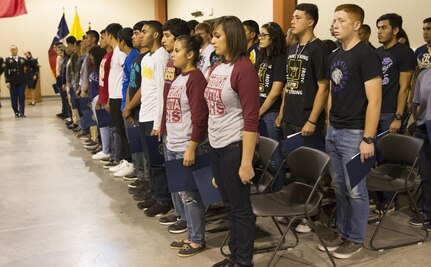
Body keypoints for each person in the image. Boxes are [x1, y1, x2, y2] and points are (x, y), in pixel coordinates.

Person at [320, 4, 382, 259]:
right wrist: (328, 123)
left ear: (356, 25)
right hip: (334, 131)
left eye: (341, 20)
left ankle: (355, 238)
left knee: (355, 188)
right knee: (338, 185)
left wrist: (368, 138)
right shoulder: (335, 55)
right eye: (334, 20)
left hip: (356, 134)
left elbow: (375, 101)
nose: (334, 24)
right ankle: (343, 232)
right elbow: (333, 93)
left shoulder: (367, 56)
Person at [208, 16, 259, 267]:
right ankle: (234, 256)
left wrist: (246, 162)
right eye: (213, 35)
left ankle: (243, 262)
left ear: (232, 36)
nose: (212, 40)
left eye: (217, 35)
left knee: (240, 209)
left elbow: (251, 120)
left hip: (234, 148)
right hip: (216, 146)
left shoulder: (244, 69)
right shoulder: (217, 67)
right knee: (228, 205)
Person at [276, 3, 330, 233]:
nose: (292, 21)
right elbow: (289, 85)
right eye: (292, 17)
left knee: (310, 171)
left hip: (306, 120)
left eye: (297, 17)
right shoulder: (292, 48)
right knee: (295, 169)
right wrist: (281, 112)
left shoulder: (319, 49)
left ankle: (311, 215)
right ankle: (297, 210)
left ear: (310, 21)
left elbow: (323, 86)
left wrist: (312, 120)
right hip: (289, 117)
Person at [165, 35, 209, 257]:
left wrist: (192, 146)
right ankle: (191, 233)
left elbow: (199, 117)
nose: (172, 54)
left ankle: (198, 239)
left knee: (191, 196)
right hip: (173, 143)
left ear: (190, 54)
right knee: (182, 194)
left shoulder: (196, 79)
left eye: (177, 51)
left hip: (186, 145)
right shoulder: (179, 78)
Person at [373, 13, 416, 214]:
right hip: (374, 111)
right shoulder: (377, 52)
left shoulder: (405, 53)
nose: (379, 31)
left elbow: (404, 88)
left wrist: (398, 117)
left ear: (395, 30)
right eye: (378, 28)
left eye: (384, 28)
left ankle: (389, 200)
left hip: (390, 112)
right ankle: (377, 197)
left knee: (388, 158)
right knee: (373, 158)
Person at [156, 18, 190, 233]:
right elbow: (166, 95)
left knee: (182, 180)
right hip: (168, 124)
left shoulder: (182, 66)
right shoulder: (170, 61)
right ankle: (178, 212)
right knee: (173, 175)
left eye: (168, 35)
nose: (163, 39)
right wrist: (161, 123)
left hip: (180, 128)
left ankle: (186, 218)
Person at [138, 20, 171, 217]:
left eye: (145, 31)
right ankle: (155, 192)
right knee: (150, 159)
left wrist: (159, 122)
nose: (141, 35)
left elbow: (162, 91)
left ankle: (163, 199)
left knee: (158, 163)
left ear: (156, 34)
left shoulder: (161, 57)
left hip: (154, 117)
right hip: (145, 114)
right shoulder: (146, 58)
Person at [256, 21, 286, 192]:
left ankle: (278, 191)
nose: (260, 38)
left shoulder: (280, 59)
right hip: (259, 112)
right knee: (264, 157)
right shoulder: (262, 57)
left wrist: (259, 112)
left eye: (264, 35)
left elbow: (275, 91)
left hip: (270, 113)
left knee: (275, 158)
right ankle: (269, 189)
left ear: (274, 38)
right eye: (260, 35)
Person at [410, 66, 431, 230]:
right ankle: (426, 211)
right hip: (423, 128)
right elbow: (415, 102)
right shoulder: (424, 74)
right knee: (426, 173)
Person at [4, 45, 28, 117]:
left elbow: (30, 64)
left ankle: (22, 112)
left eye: (14, 49)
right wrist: (7, 81)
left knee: (21, 97)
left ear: (17, 50)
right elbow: (6, 71)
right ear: (10, 51)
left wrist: (28, 56)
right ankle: (16, 111)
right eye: (12, 49)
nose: (13, 50)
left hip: (21, 82)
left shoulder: (22, 59)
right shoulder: (8, 60)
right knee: (13, 98)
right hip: (12, 82)